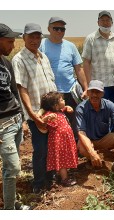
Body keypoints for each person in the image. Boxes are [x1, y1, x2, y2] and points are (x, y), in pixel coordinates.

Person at [12, 23, 57, 194]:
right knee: (40, 149)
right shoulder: (19, 60)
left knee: (51, 145)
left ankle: (50, 176)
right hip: (36, 113)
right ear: (23, 37)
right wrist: (31, 114)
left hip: (51, 111)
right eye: (31, 36)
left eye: (38, 36)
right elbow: (22, 88)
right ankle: (38, 182)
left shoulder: (43, 57)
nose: (34, 40)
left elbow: (51, 82)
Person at [40, 16, 88, 140]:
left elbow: (79, 69)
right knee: (55, 123)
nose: (60, 31)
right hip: (52, 93)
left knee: (74, 121)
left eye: (62, 29)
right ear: (49, 29)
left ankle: (75, 148)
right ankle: (58, 149)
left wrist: (86, 88)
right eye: (56, 28)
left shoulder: (70, 46)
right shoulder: (42, 45)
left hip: (70, 91)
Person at [0, 23, 31, 210]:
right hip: (2, 125)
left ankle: (10, 204)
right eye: (10, 41)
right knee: (13, 167)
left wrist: (23, 118)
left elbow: (13, 92)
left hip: (16, 120)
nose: (13, 46)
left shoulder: (7, 63)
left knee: (9, 170)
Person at [76, 80, 114, 168]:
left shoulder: (110, 105)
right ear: (87, 93)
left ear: (102, 94)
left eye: (98, 92)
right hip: (89, 140)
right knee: (81, 147)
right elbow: (81, 133)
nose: (95, 95)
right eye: (92, 92)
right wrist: (91, 152)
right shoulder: (81, 108)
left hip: (103, 139)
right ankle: (93, 159)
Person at [81, 11, 114, 114]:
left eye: (107, 20)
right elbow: (86, 62)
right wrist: (88, 86)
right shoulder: (91, 39)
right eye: (102, 20)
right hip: (98, 86)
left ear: (112, 23)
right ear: (98, 22)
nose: (105, 23)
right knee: (100, 115)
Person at [39, 92, 78, 187]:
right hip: (59, 141)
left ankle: (63, 175)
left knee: (64, 157)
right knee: (61, 160)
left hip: (64, 140)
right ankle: (64, 179)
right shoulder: (50, 115)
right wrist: (46, 118)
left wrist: (67, 107)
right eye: (61, 100)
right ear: (55, 105)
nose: (64, 101)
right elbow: (41, 122)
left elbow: (64, 108)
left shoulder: (59, 111)